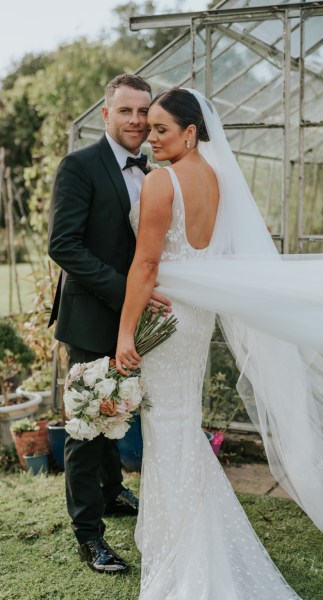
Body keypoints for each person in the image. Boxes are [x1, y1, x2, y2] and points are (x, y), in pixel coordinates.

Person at [116, 87, 323, 597]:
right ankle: (177, 535)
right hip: (195, 318)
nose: (150, 137)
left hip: (165, 317)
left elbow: (147, 264)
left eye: (161, 128)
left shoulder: (162, 183)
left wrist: (124, 333)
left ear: (190, 131)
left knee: (168, 425)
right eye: (148, 128)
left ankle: (182, 546)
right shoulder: (217, 178)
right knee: (178, 423)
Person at [48, 73, 170, 574]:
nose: (138, 121)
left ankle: (115, 492)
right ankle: (89, 536)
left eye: (144, 112)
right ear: (106, 114)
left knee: (118, 411)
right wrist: (130, 291)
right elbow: (64, 245)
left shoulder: (158, 168)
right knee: (87, 424)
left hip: (138, 321)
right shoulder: (79, 167)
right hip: (93, 316)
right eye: (126, 111)